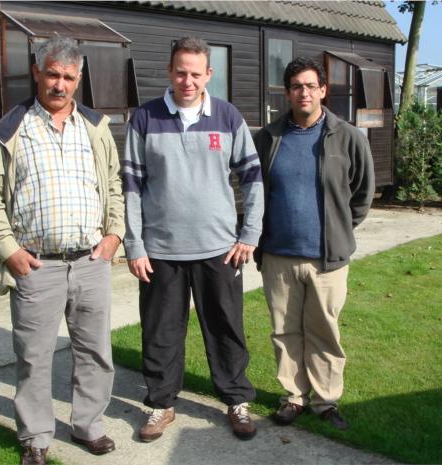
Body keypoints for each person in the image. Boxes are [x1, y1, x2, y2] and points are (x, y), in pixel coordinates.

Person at [0, 36, 124, 465]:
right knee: (34, 357)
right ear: (37, 72)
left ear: (79, 79)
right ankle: (36, 437)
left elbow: (114, 184)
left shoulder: (95, 127)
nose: (60, 84)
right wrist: (7, 249)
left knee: (95, 352)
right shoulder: (11, 129)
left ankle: (89, 425)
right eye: (53, 74)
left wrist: (114, 235)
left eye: (69, 77)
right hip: (36, 266)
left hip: (91, 261)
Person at [122, 36, 264, 442]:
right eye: (181, 72)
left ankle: (236, 400)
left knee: (225, 329)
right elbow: (130, 186)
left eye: (196, 74)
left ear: (209, 75)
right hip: (160, 251)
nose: (188, 81)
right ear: (170, 71)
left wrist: (250, 233)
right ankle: (161, 403)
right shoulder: (145, 118)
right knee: (160, 332)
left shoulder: (228, 117)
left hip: (219, 249)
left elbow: (253, 177)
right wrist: (135, 244)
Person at [253, 57, 375, 430]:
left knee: (324, 332)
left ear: (322, 90)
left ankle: (325, 401)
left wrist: (340, 230)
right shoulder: (268, 138)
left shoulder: (348, 137)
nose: (303, 93)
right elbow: (254, 192)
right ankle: (293, 397)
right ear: (287, 92)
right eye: (296, 87)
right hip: (278, 256)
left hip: (327, 260)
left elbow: (362, 194)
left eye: (310, 86)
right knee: (284, 332)